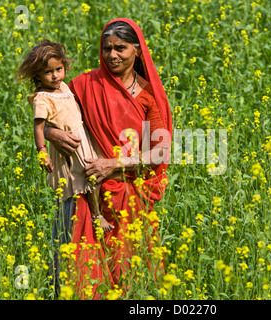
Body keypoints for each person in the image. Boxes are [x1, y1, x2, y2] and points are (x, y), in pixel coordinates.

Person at [45, 18, 172, 299]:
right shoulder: (84, 84)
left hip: (129, 196)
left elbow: (161, 151)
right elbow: (47, 113)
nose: (112, 55)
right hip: (87, 193)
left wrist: (113, 163)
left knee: (130, 277)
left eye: (120, 48)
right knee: (81, 276)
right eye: (106, 48)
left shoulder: (149, 96)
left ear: (137, 51)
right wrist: (51, 133)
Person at [17, 39, 114, 233]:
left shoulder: (65, 88)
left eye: (58, 69)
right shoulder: (42, 98)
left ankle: (96, 213)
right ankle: (97, 216)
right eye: (48, 72)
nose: (55, 76)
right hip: (69, 144)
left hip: (82, 137)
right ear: (37, 75)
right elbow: (38, 127)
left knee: (96, 171)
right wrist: (42, 151)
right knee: (89, 176)